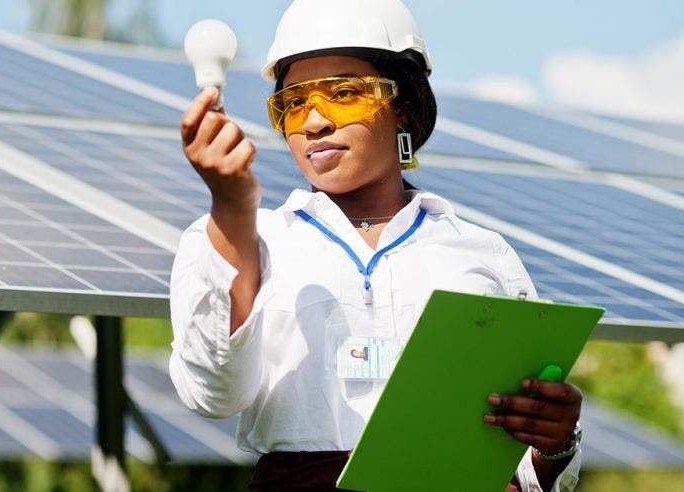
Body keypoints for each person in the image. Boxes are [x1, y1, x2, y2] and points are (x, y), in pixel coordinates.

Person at [169, 1, 583, 490]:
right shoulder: (237, 236)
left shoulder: (480, 253)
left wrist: (555, 443)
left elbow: (526, 467)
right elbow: (213, 395)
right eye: (295, 102)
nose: (314, 122)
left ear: (402, 105)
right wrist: (233, 208)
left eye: (344, 93)